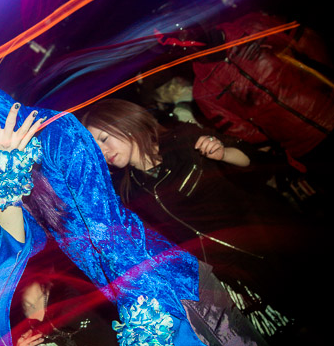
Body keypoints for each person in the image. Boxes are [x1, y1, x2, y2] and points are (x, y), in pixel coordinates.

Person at [0, 69, 267, 346]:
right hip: (125, 296)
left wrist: (145, 313)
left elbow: (104, 226)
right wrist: (4, 177)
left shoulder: (55, 131)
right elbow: (17, 248)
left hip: (168, 285)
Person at [79, 97, 324, 342]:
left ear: (125, 123)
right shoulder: (128, 191)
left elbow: (255, 161)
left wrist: (223, 153)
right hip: (233, 273)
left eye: (104, 138)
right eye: (95, 147)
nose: (103, 151)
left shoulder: (183, 140)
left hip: (271, 242)